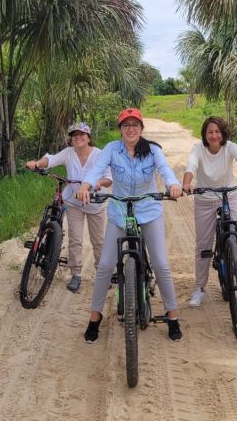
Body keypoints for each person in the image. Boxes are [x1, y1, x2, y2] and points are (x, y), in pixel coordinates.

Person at [76, 108, 184, 343]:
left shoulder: (153, 149)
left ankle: (172, 315)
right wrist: (86, 185)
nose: (131, 129)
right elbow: (96, 170)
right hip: (119, 211)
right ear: (120, 129)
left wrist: (173, 185)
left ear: (142, 128)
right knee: (105, 265)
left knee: (161, 264)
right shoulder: (111, 149)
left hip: (149, 211)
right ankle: (95, 317)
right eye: (126, 125)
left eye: (135, 124)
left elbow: (165, 170)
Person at [182, 116, 237, 307]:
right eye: (210, 131)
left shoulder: (230, 147)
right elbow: (191, 165)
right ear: (204, 134)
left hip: (229, 196)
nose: (214, 135)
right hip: (204, 200)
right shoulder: (198, 149)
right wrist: (187, 183)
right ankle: (200, 288)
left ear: (223, 133)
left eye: (217, 131)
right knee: (203, 245)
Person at [25, 121, 111, 293]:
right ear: (71, 139)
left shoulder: (100, 155)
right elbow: (50, 159)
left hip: (95, 203)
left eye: (82, 135)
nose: (78, 138)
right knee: (75, 239)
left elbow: (109, 178)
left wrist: (97, 183)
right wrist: (36, 163)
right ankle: (76, 274)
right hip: (73, 203)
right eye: (74, 135)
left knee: (99, 241)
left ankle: (103, 275)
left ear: (88, 137)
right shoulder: (68, 153)